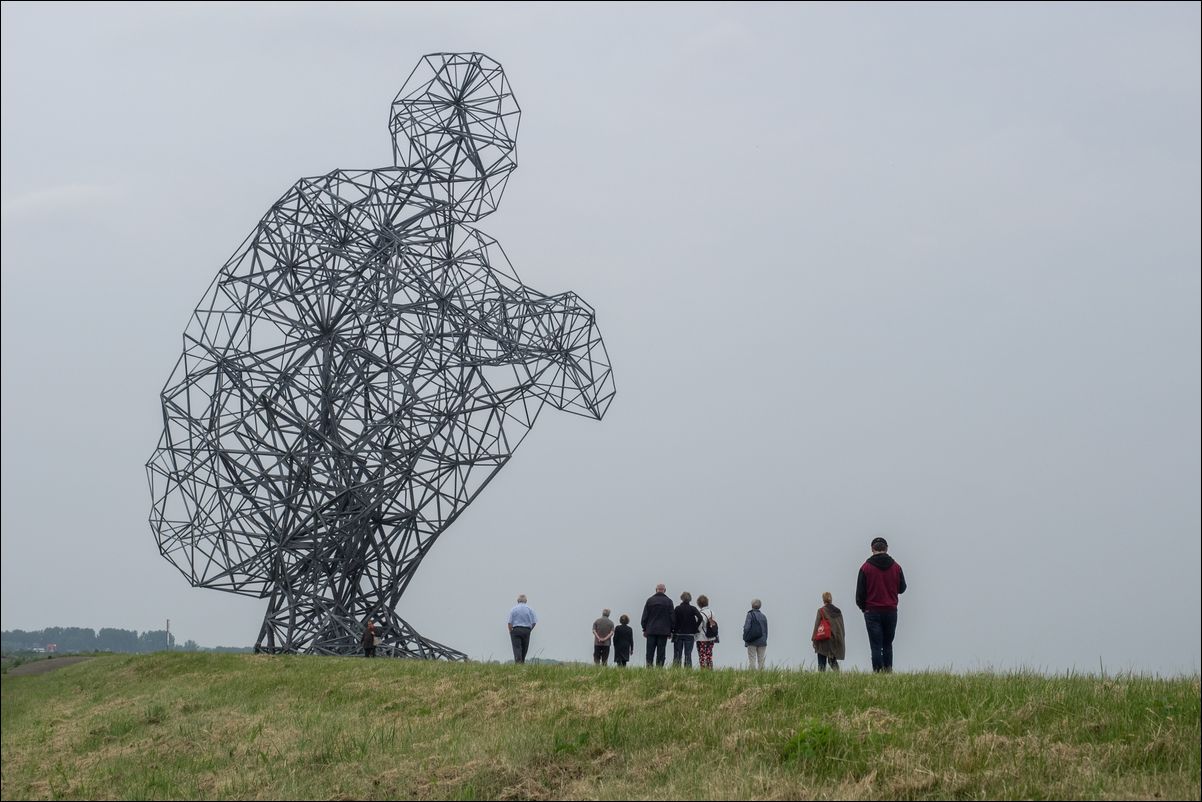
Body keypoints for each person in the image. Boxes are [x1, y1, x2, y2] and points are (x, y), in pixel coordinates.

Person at [855, 536, 907, 673]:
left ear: (872, 549)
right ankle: (888, 670)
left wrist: (864, 608)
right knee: (888, 644)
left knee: (876, 645)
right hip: (890, 610)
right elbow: (902, 588)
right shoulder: (896, 567)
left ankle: (878, 673)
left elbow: (860, 594)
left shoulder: (865, 568)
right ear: (887, 548)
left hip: (872, 611)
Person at [811, 591, 846, 671]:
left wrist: (814, 639)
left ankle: (821, 679)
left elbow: (817, 626)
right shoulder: (838, 611)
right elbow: (841, 626)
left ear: (823, 600)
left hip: (824, 640)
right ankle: (838, 676)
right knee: (832, 661)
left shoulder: (821, 611)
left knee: (821, 663)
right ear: (831, 599)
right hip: (834, 640)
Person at [640, 583, 673, 667]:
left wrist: (644, 629)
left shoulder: (650, 600)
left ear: (656, 590)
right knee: (661, 651)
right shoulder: (669, 601)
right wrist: (671, 630)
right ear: (664, 590)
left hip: (651, 630)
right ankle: (659, 668)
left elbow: (645, 616)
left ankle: (649, 667)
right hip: (664, 631)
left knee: (650, 651)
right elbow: (672, 617)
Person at [671, 591, 703, 668]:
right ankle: (688, 670)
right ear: (690, 599)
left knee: (678, 654)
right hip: (689, 634)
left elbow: (673, 620)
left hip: (678, 634)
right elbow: (700, 618)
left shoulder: (677, 608)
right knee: (688, 654)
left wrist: (673, 629)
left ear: (681, 598)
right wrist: (695, 627)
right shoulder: (693, 609)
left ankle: (676, 670)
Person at [507, 593, 538, 664]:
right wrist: (530, 629)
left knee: (517, 648)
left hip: (516, 630)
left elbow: (509, 622)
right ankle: (522, 662)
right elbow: (534, 622)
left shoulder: (513, 609)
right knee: (525, 648)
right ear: (526, 601)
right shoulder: (530, 609)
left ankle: (518, 663)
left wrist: (510, 631)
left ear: (518, 601)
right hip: (526, 630)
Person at [742, 598, 768, 670]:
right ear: (760, 606)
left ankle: (752, 676)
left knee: (752, 659)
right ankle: (761, 676)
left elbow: (747, 627)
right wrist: (764, 640)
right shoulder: (763, 616)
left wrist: (745, 638)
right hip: (762, 641)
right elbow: (766, 630)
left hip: (752, 640)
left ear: (752, 605)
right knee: (761, 660)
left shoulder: (750, 615)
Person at [695, 594, 718, 670]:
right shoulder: (712, 612)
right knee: (709, 654)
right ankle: (710, 669)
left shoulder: (700, 614)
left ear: (699, 604)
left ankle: (703, 670)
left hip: (701, 638)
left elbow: (699, 626)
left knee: (702, 655)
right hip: (711, 637)